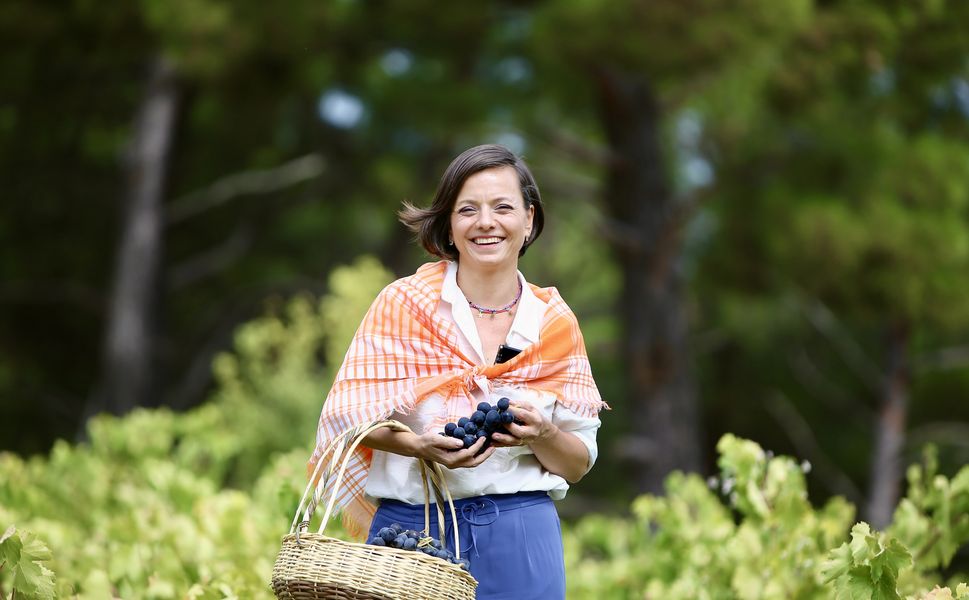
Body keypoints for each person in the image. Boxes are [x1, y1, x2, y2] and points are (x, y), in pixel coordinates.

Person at [310, 144, 607, 599]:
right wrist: (416, 445)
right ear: (450, 223)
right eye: (467, 209)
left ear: (529, 219)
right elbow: (346, 421)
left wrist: (543, 434)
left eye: (502, 207)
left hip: (522, 539)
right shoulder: (404, 305)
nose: (485, 222)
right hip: (413, 537)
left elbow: (577, 463)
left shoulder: (554, 323)